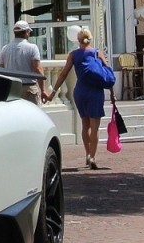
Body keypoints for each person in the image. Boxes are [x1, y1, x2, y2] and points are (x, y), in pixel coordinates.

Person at [45, 28, 108, 169]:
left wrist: (53, 92)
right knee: (95, 126)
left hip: (80, 91)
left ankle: (87, 154)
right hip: (95, 92)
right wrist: (113, 93)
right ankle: (93, 156)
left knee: (85, 125)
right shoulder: (97, 53)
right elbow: (107, 73)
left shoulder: (73, 55)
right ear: (90, 39)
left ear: (78, 40)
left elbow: (62, 75)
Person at [0, 19, 47, 102]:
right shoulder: (32, 48)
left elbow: (1, 70)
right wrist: (43, 90)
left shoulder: (5, 49)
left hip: (12, 89)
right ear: (27, 32)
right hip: (29, 88)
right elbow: (37, 69)